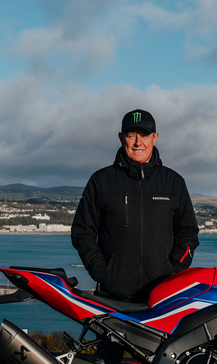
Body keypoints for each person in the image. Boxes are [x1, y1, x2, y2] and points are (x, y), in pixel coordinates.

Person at [71, 109, 200, 364]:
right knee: (106, 360)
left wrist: (173, 269)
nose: (138, 142)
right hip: (113, 297)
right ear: (121, 138)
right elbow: (82, 232)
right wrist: (103, 272)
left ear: (155, 137)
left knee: (161, 359)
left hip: (161, 297)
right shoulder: (101, 181)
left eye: (144, 135)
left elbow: (188, 233)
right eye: (131, 135)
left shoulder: (173, 183)